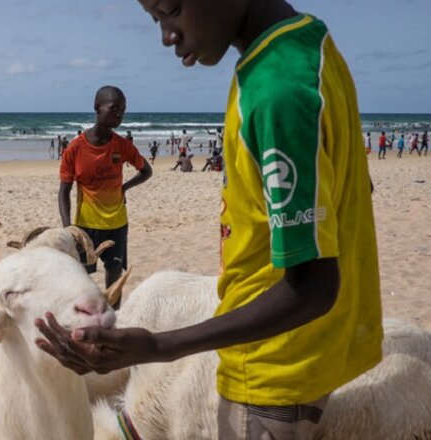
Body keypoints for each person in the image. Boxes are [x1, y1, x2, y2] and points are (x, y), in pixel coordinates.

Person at [36, 4, 382, 440]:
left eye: (171, 9)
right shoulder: (308, 45)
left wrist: (161, 346)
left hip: (270, 368)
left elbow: (313, 285)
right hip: (293, 351)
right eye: (155, 19)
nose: (166, 35)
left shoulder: (276, 89)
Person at [58, 85, 152, 295]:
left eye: (123, 110)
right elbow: (64, 191)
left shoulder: (122, 146)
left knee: (114, 280)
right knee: (83, 283)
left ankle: (114, 321)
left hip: (117, 225)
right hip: (85, 227)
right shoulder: (74, 149)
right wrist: (68, 228)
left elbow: (146, 171)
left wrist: (124, 188)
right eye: (114, 108)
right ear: (97, 108)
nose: (119, 114)